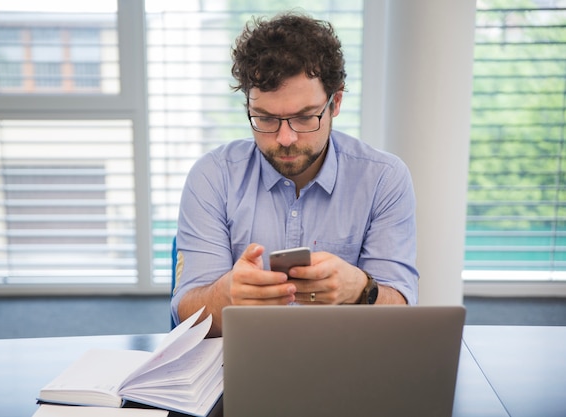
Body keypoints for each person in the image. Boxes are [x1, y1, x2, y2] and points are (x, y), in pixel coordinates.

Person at [171, 12, 419, 337]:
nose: (285, 139)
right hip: (243, 364)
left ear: (336, 102)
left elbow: (403, 315)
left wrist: (360, 289)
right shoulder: (212, 176)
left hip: (346, 364)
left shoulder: (384, 178)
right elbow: (184, 315)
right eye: (265, 118)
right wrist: (225, 296)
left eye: (304, 118)